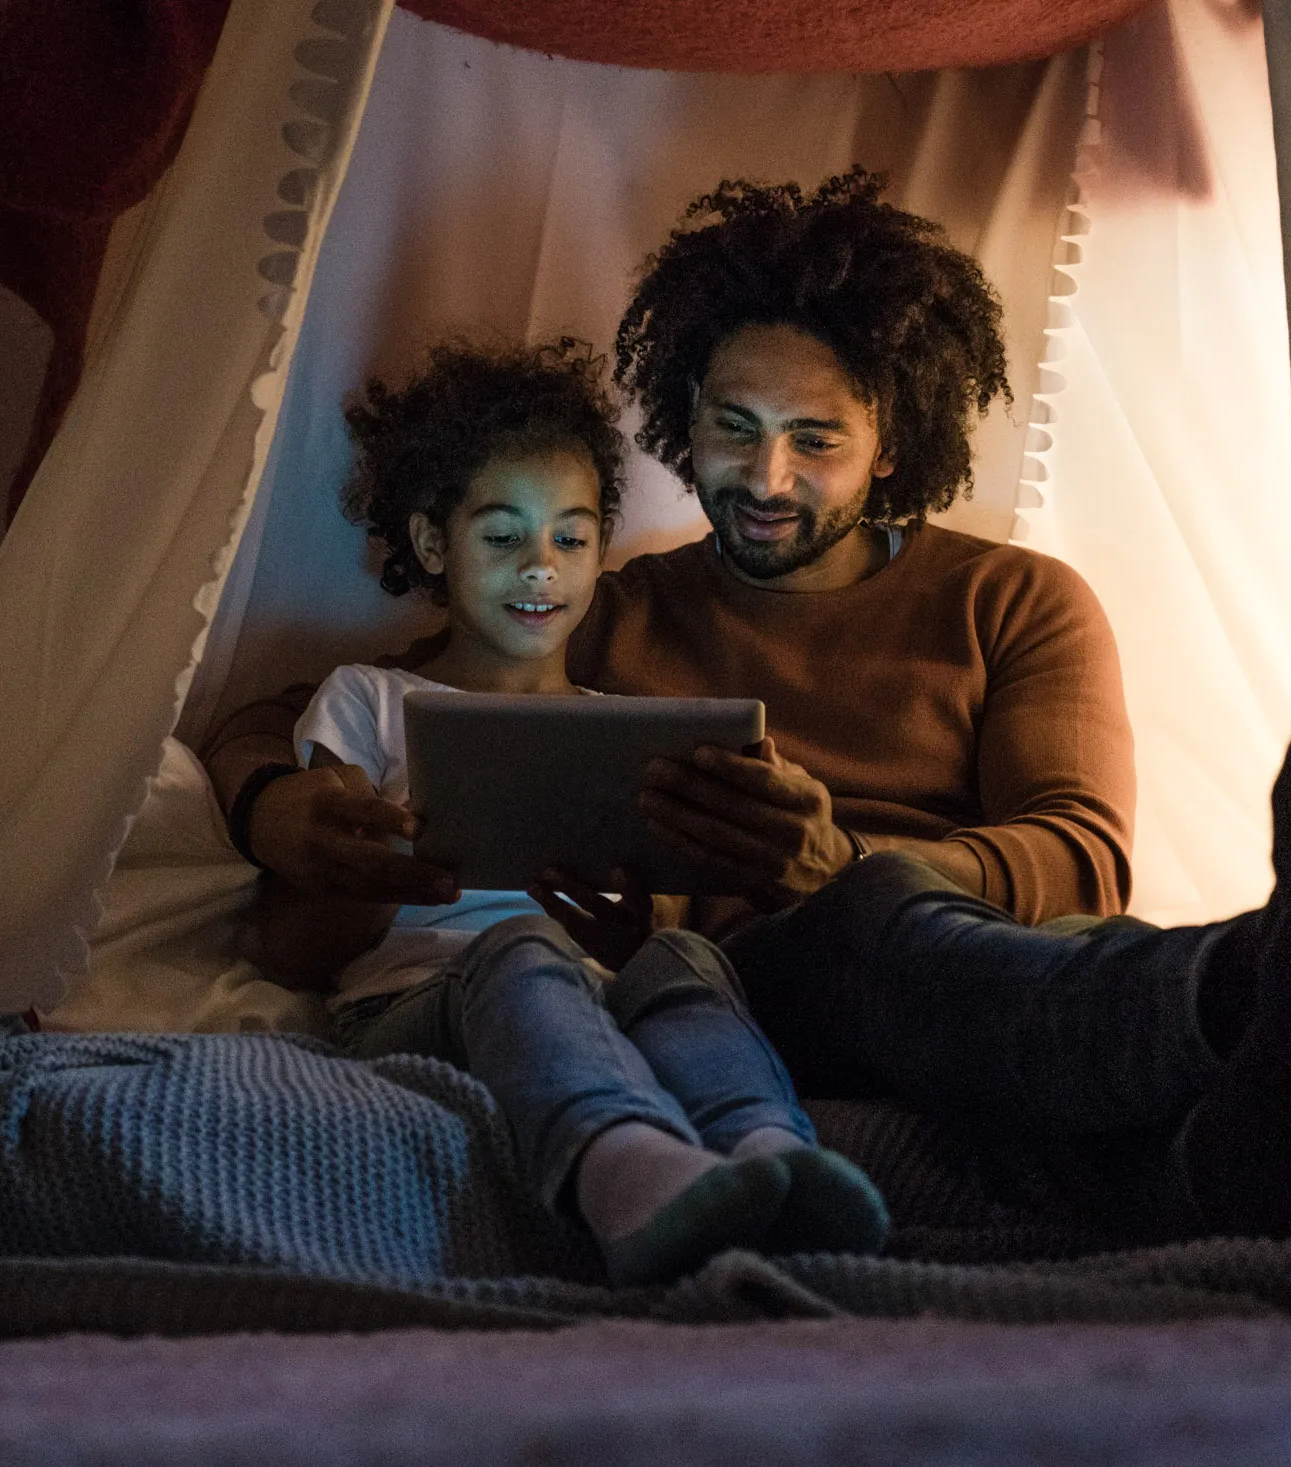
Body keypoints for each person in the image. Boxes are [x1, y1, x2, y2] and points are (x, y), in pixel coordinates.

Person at [207, 172, 1291, 1247]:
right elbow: (315, 711)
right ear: (684, 422)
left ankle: (1263, 1128)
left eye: (815, 440)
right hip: (732, 998)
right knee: (860, 938)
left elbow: (1080, 855)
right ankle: (1265, 980)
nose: (763, 478)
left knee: (907, 958)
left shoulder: (1014, 602)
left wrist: (844, 861)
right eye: (730, 429)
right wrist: (281, 810)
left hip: (954, 971)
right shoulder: (604, 603)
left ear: (894, 441)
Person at [255, 339, 888, 1285]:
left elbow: (642, 935)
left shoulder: (615, 732)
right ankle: (624, 1173)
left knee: (688, 957)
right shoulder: (367, 701)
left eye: (572, 538)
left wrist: (639, 930)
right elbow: (290, 947)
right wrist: (383, 869)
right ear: (434, 543)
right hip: (411, 1004)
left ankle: (765, 1151)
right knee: (518, 946)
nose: (541, 568)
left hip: (590, 996)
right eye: (504, 538)